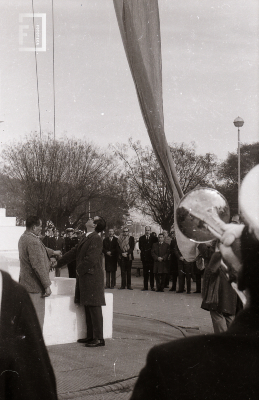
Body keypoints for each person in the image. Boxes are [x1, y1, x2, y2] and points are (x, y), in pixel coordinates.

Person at [130, 221, 259, 400]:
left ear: (242, 277)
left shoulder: (168, 361)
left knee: (221, 318)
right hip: (228, 298)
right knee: (227, 317)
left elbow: (209, 270)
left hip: (220, 297)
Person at [0, 270, 58, 399]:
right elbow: (37, 263)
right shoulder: (12, 291)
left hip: (30, 284)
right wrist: (46, 284)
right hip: (36, 287)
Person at [57, 217, 106, 347]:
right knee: (88, 305)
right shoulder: (87, 236)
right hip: (86, 277)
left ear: (94, 225)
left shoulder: (96, 238)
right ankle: (91, 336)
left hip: (92, 277)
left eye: (92, 219)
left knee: (94, 307)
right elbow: (74, 252)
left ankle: (99, 338)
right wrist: (58, 263)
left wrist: (78, 271)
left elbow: (91, 259)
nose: (89, 219)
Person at [18, 216, 61, 330]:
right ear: (33, 227)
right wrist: (47, 286)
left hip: (26, 285)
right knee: (36, 321)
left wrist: (53, 252)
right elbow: (38, 266)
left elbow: (41, 248)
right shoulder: (33, 241)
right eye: (40, 226)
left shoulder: (24, 238)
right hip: (35, 287)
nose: (41, 229)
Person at [201, 240, 237, 333]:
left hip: (217, 285)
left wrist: (201, 244)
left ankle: (221, 340)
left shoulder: (218, 247)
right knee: (229, 312)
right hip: (231, 285)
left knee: (216, 312)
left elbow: (208, 254)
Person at [138, 226, 157, 291]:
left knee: (152, 273)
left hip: (151, 258)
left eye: (148, 230)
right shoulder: (141, 238)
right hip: (145, 258)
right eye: (146, 230)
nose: (147, 231)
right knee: (145, 273)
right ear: (145, 231)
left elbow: (155, 248)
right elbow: (140, 247)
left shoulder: (154, 238)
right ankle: (145, 287)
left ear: (150, 231)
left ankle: (152, 286)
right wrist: (145, 252)